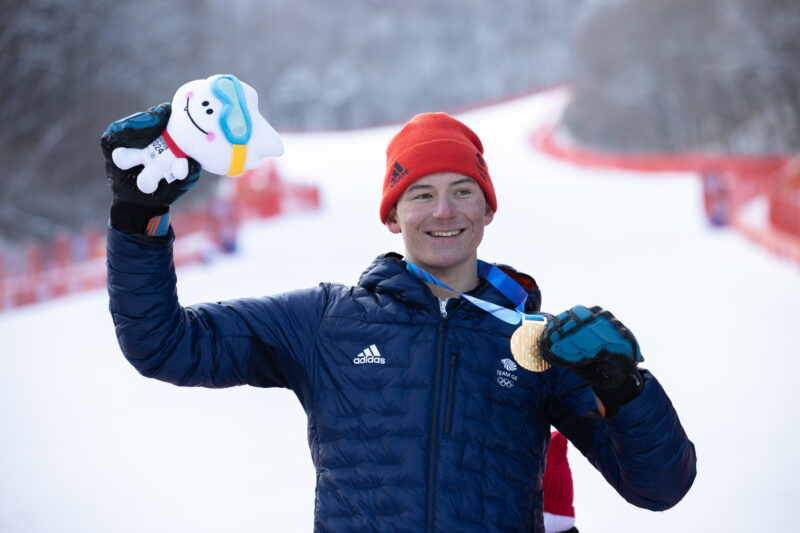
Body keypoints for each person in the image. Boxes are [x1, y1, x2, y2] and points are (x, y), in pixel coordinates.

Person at [102, 105, 696, 533]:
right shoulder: (325, 321)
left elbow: (659, 488)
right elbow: (163, 343)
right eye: (421, 194)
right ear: (392, 216)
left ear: (488, 209)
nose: (444, 210)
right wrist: (138, 216)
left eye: (463, 191)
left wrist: (624, 388)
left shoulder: (536, 343)